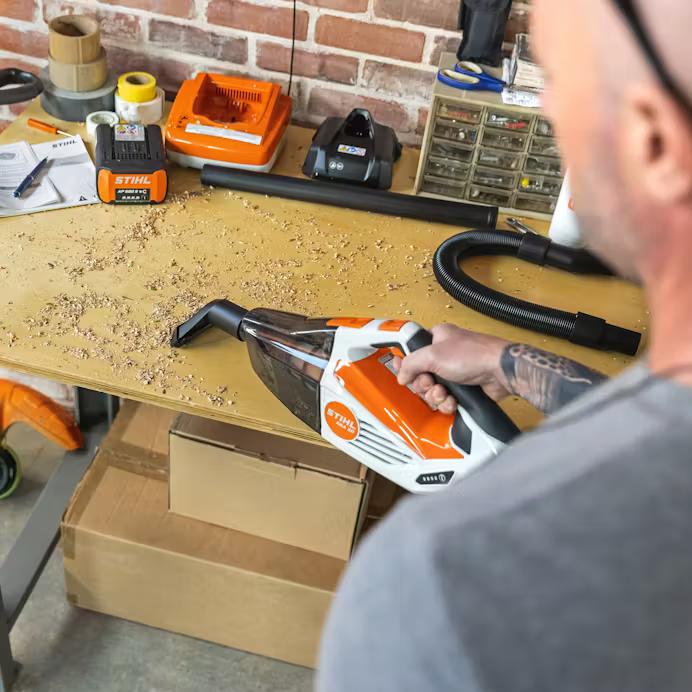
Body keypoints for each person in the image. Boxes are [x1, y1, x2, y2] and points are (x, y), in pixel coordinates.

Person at [317, 0, 692, 690]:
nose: (547, 108)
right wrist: (509, 363)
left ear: (655, 144)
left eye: (561, 77)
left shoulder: (442, 589)